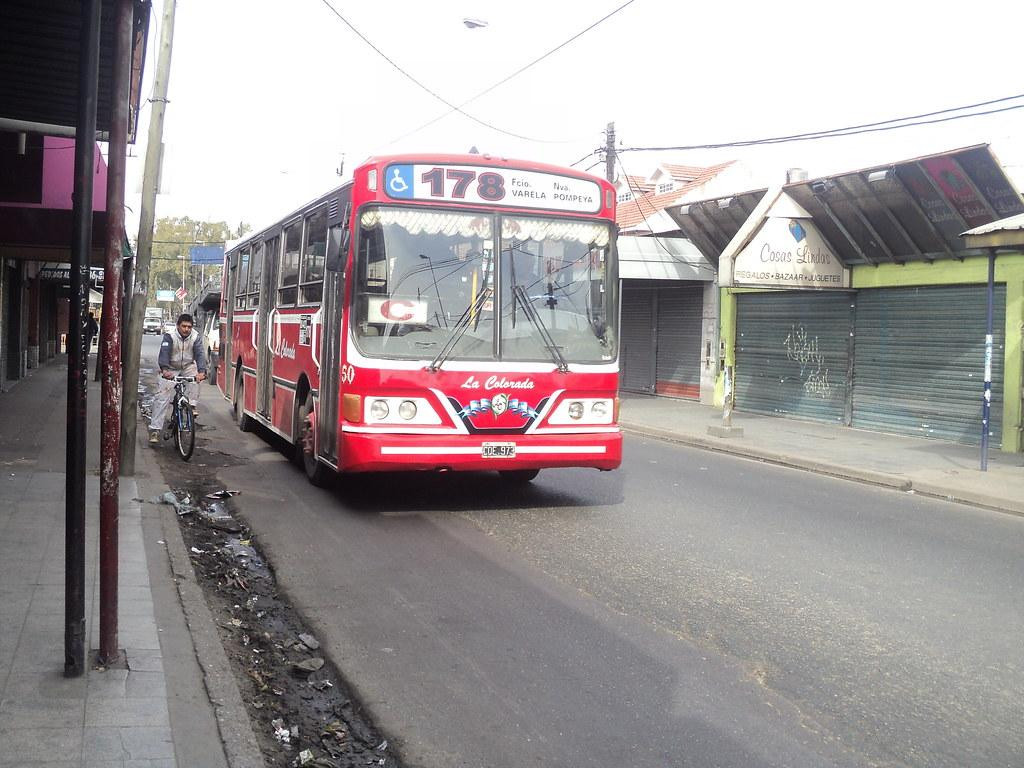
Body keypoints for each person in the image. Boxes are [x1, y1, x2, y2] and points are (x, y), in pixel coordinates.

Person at [149, 313, 207, 445]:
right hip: (170, 367)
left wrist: (202, 372)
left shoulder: (195, 337)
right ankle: (155, 430)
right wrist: (164, 370)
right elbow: (164, 354)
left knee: (196, 379)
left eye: (189, 327)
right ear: (178, 326)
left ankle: (191, 406)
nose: (186, 329)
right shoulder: (170, 336)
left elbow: (200, 354)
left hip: (187, 366)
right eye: (184, 326)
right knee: (161, 397)